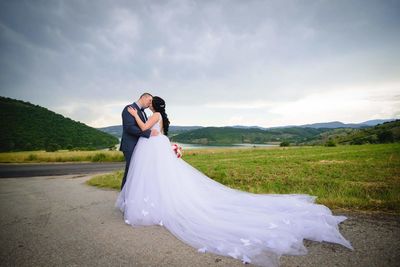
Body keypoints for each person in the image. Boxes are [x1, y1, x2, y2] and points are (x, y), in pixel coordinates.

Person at [116, 96, 352, 267]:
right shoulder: (161, 116)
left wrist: (137, 115)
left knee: (158, 176)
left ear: (153, 105)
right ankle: (160, 202)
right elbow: (156, 131)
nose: (146, 106)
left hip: (154, 147)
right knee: (161, 177)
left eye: (149, 103)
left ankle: (158, 204)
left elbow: (146, 128)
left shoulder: (151, 115)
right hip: (158, 147)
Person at [119, 93, 159, 190]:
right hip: (130, 145)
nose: (150, 103)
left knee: (138, 173)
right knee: (130, 172)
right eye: (149, 100)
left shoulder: (143, 112)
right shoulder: (129, 108)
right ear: (143, 97)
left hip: (140, 147)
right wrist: (148, 133)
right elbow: (129, 128)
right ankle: (124, 197)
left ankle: (135, 196)